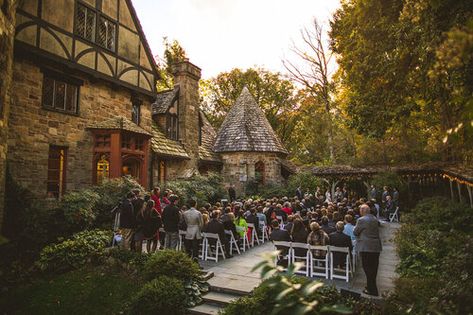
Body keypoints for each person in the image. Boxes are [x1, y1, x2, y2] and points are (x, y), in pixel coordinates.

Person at [354, 204, 382, 296]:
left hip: (366, 247)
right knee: (374, 268)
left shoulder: (361, 220)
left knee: (367, 268)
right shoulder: (374, 219)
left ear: (362, 211)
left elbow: (355, 232)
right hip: (376, 246)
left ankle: (373, 290)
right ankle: (370, 287)